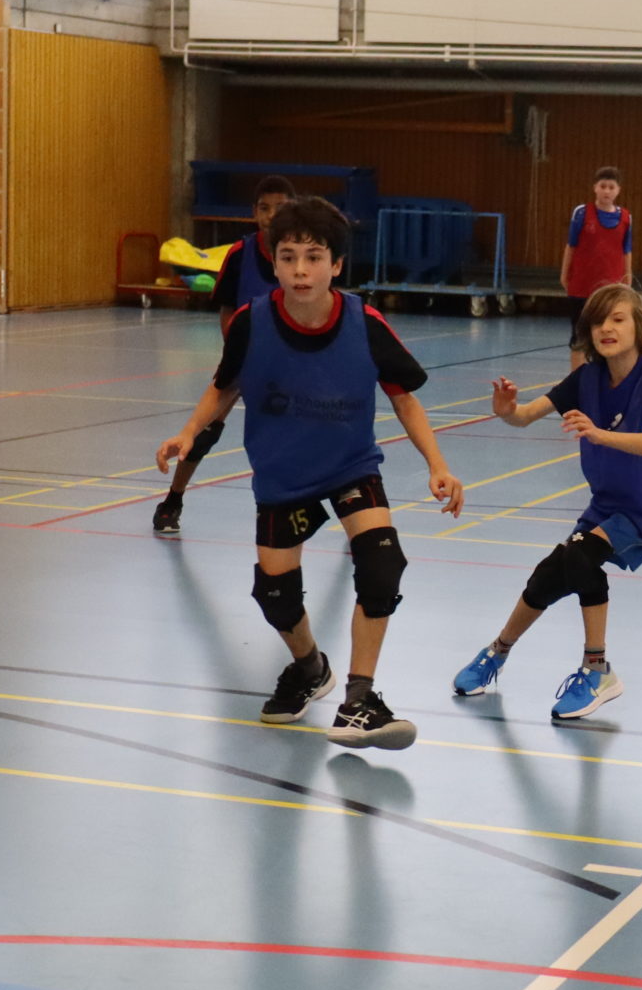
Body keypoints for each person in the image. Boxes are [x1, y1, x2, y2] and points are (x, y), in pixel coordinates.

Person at [154, 195, 464, 749]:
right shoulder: (252, 322)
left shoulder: (364, 323)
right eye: (289, 257)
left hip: (350, 465)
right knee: (275, 595)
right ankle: (309, 668)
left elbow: (404, 398)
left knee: (381, 565)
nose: (301, 269)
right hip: (283, 473)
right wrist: (189, 431)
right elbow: (224, 385)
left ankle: (360, 700)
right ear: (273, 263)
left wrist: (438, 466)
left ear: (336, 265)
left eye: (314, 257)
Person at [452, 283, 642, 720]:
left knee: (582, 557)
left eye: (617, 319)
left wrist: (598, 434)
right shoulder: (587, 378)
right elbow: (525, 416)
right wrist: (506, 410)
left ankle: (598, 670)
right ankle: (497, 652)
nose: (606, 329)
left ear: (639, 327)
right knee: (551, 573)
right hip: (610, 499)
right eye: (598, 322)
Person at [153, 174, 292, 537]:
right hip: (244, 359)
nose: (271, 215)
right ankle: (172, 500)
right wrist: (238, 352)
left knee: (314, 435)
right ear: (254, 213)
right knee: (204, 431)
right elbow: (227, 309)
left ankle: (347, 513)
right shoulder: (239, 254)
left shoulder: (301, 258)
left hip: (290, 364)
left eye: (280, 208)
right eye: (264, 208)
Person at [559, 166, 632, 367]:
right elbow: (571, 246)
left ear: (618, 190)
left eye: (611, 187)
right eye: (603, 186)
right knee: (579, 336)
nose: (607, 191)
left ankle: (606, 377)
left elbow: (626, 250)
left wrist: (627, 278)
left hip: (610, 289)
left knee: (609, 334)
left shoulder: (626, 218)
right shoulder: (582, 213)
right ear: (595, 188)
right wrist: (564, 274)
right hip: (582, 286)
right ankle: (576, 378)